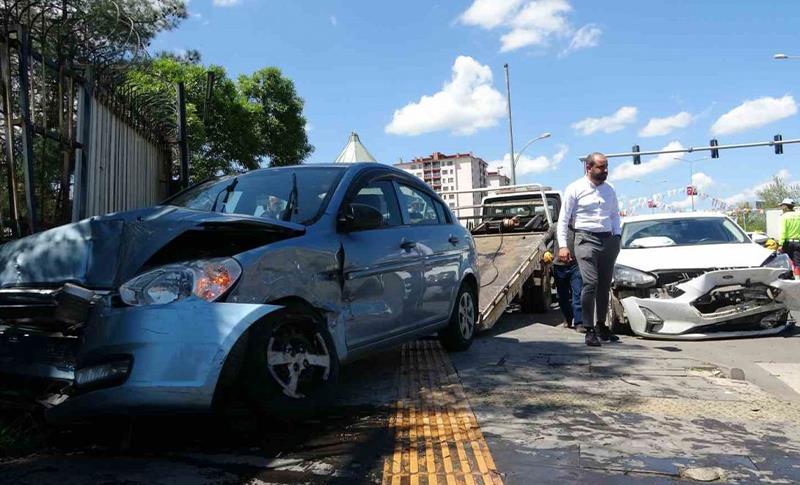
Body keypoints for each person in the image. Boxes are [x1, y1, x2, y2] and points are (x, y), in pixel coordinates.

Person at [557, 152, 621, 347]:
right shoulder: (575, 188)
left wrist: (617, 237)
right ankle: (588, 327)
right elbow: (564, 219)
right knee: (590, 283)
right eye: (601, 167)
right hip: (585, 239)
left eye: (607, 166)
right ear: (589, 168)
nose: (605, 171)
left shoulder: (610, 190)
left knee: (604, 285)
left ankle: (602, 325)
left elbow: (615, 215)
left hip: (608, 240)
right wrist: (562, 246)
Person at [540, 223, 583, 330]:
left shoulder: (577, 227)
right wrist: (545, 252)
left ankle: (579, 323)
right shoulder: (555, 227)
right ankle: (568, 318)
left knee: (577, 294)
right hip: (559, 267)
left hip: (575, 266)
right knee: (563, 296)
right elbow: (542, 242)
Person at [778, 197, 800, 280]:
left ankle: (790, 280)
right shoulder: (798, 215)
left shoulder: (784, 217)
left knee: (787, 262)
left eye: (782, 206)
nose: (781, 208)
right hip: (798, 242)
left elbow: (783, 232)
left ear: (785, 207)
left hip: (788, 243)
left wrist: (780, 244)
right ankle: (798, 279)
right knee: (797, 262)